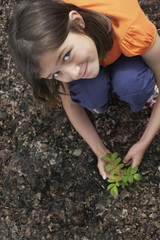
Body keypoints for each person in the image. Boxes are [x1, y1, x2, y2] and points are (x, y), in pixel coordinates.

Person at [8, 0, 160, 180]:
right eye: (56, 74)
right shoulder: (50, 47)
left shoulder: (132, 28)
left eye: (66, 55)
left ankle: (148, 90)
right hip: (94, 46)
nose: (74, 72)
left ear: (78, 22)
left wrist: (143, 143)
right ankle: (97, 97)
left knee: (132, 85)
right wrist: (101, 152)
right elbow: (70, 105)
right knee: (91, 94)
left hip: (122, 46)